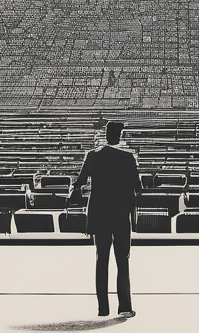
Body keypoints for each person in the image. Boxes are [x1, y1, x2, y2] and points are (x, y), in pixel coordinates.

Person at [71, 120, 141, 318]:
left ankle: (103, 308)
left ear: (105, 134)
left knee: (101, 259)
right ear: (120, 136)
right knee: (123, 259)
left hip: (100, 213)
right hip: (120, 213)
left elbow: (81, 181)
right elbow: (138, 186)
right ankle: (125, 306)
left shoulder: (93, 156)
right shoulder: (128, 157)